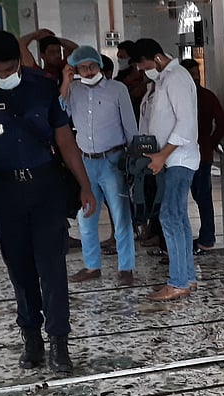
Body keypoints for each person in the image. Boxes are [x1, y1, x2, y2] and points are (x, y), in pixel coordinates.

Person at [0, 31, 96, 374]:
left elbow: (64, 140)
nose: (3, 76)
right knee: (21, 271)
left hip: (46, 189)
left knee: (53, 269)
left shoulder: (42, 85)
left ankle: (60, 342)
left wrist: (84, 185)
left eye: (9, 69)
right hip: (5, 192)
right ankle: (31, 337)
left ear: (18, 61)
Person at [60, 45, 139, 286]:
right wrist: (65, 79)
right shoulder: (73, 90)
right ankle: (91, 266)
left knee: (121, 215)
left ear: (100, 66)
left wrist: (134, 159)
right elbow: (60, 111)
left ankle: (126, 268)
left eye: (91, 66)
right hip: (85, 163)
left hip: (113, 160)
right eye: (81, 68)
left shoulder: (118, 90)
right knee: (87, 216)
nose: (87, 71)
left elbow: (131, 127)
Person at [133, 38, 200, 301]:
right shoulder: (165, 78)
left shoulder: (176, 78)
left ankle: (178, 282)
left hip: (178, 159)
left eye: (143, 64)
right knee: (178, 218)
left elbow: (186, 124)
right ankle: (188, 277)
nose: (141, 70)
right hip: (172, 159)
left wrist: (162, 154)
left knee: (170, 217)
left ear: (156, 58)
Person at [182, 59, 224, 252]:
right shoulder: (189, 96)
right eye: (191, 74)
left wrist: (210, 142)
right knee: (200, 197)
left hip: (200, 154)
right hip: (189, 153)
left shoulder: (204, 96)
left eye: (197, 73)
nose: (195, 77)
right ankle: (204, 237)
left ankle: (207, 238)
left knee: (202, 197)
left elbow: (221, 122)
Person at [115, 40, 150, 118]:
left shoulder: (145, 76)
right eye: (118, 57)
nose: (119, 60)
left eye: (122, 57)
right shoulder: (121, 76)